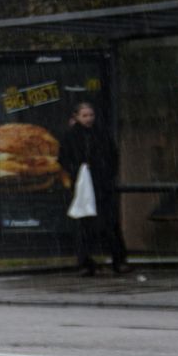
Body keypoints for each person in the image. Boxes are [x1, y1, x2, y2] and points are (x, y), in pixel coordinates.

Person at [58, 101, 130, 276]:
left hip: (101, 184)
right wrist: (78, 170)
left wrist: (105, 173)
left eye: (91, 115)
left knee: (110, 223)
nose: (89, 119)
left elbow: (112, 156)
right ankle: (85, 261)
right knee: (84, 225)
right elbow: (64, 158)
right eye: (85, 116)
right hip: (82, 185)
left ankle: (118, 259)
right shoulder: (71, 136)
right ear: (76, 117)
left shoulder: (101, 134)